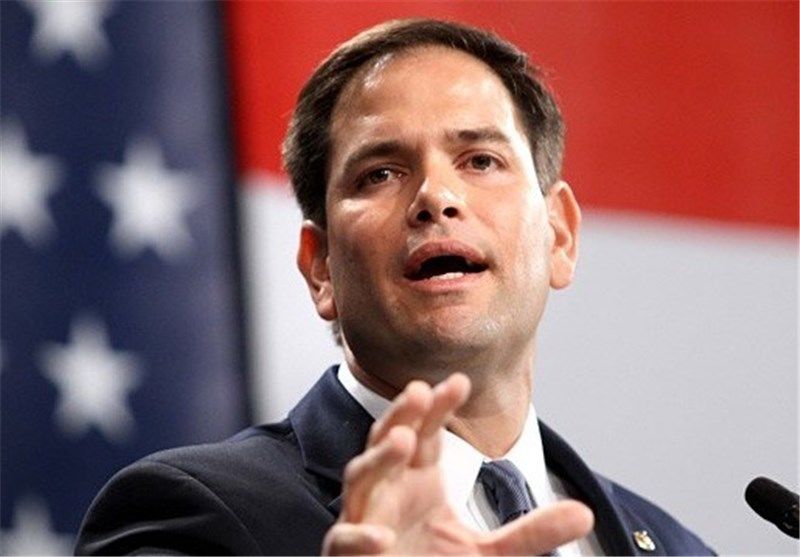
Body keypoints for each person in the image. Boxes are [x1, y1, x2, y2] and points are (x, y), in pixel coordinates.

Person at [76, 19, 715, 556]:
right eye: (380, 173)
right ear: (321, 267)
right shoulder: (190, 515)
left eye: (480, 160)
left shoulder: (676, 547)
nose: (436, 196)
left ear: (560, 236)